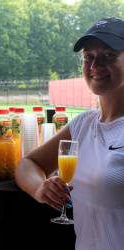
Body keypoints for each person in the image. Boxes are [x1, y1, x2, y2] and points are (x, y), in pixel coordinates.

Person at [15, 17, 124, 250]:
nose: (95, 66)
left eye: (108, 55)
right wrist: (39, 188)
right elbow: (28, 163)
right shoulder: (82, 124)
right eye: (88, 57)